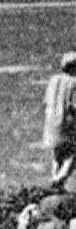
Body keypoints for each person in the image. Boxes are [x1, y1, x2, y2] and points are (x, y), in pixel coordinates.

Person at [43, 52, 76, 188]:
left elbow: (45, 102)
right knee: (72, 154)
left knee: (57, 154)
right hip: (67, 121)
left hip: (51, 122)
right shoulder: (74, 82)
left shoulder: (53, 80)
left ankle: (55, 177)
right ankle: (59, 179)